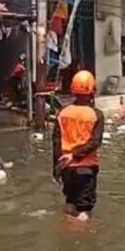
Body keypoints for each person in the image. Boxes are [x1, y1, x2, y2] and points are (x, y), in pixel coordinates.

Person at [52, 70, 104, 221]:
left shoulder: (63, 113)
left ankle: (67, 235)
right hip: (86, 169)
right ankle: (81, 241)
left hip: (66, 169)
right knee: (84, 210)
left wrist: (56, 168)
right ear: (92, 90)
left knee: (70, 204)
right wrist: (75, 155)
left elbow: (56, 142)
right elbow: (95, 142)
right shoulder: (96, 115)